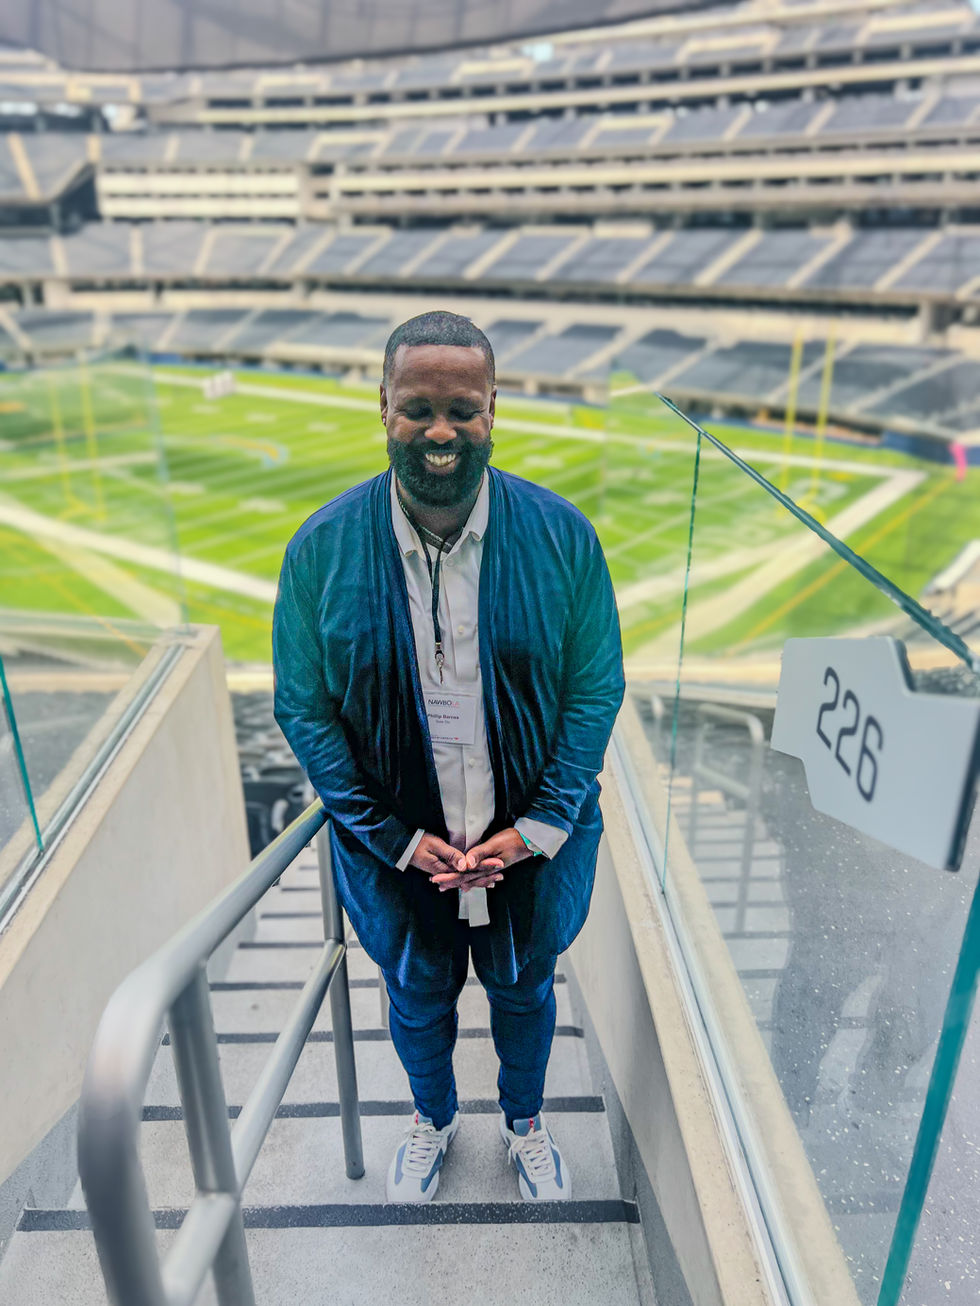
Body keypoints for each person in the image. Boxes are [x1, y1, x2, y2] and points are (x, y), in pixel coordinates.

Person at [272, 310, 625, 1204]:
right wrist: (391, 834)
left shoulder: (564, 537)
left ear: (493, 410)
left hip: (528, 854)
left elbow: (596, 690)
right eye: (417, 406)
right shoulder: (319, 550)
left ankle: (526, 1121)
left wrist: (541, 823)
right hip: (400, 860)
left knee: (524, 996)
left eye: (462, 409)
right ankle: (432, 1118)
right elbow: (304, 710)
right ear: (382, 405)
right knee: (417, 1003)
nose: (440, 429)